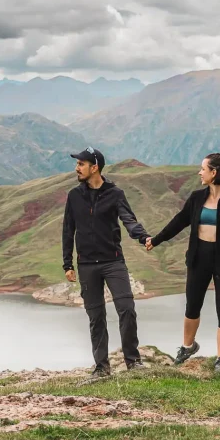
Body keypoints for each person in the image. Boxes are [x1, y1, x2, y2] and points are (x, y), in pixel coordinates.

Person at [146, 152, 220, 374]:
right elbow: (179, 222)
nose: (199, 172)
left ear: (214, 173)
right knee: (192, 306)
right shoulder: (196, 197)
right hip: (198, 258)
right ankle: (188, 346)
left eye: (203, 169)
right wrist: (157, 239)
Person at [62, 147, 152, 379]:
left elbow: (128, 220)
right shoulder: (74, 196)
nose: (77, 168)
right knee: (96, 317)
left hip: (113, 262)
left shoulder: (115, 193)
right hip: (87, 266)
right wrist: (67, 264)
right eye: (77, 164)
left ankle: (133, 363)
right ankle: (101, 368)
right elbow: (67, 230)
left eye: (81, 164)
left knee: (127, 310)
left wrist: (143, 237)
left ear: (95, 167)